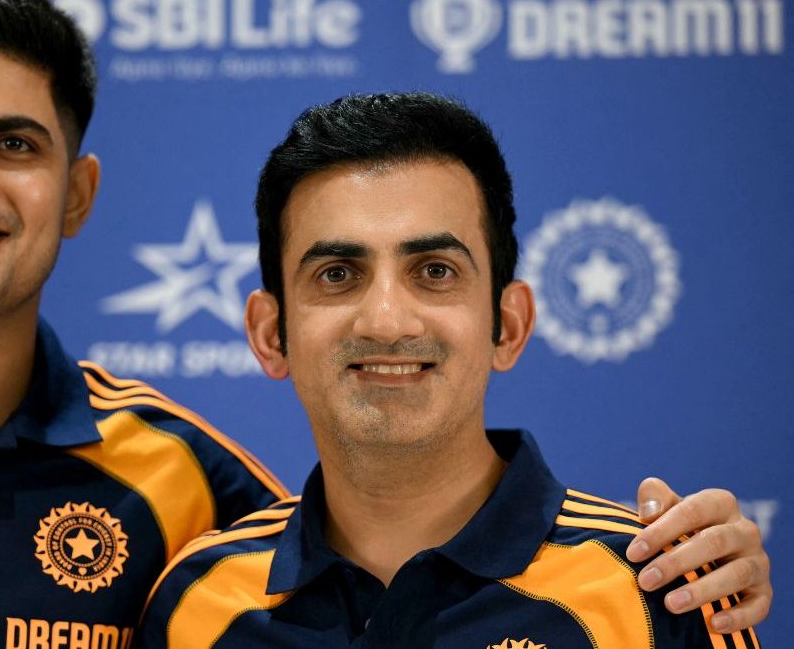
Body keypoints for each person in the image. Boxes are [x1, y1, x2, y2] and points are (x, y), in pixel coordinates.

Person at [0, 0, 769, 647]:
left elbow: (376, 540)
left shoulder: (191, 495)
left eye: (12, 144)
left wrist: (709, 556)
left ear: (76, 194)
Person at [138, 93, 767, 647]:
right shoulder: (194, 607)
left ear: (509, 325)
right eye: (338, 275)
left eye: (435, 271)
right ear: (271, 335)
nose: (386, 321)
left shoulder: (657, 591)